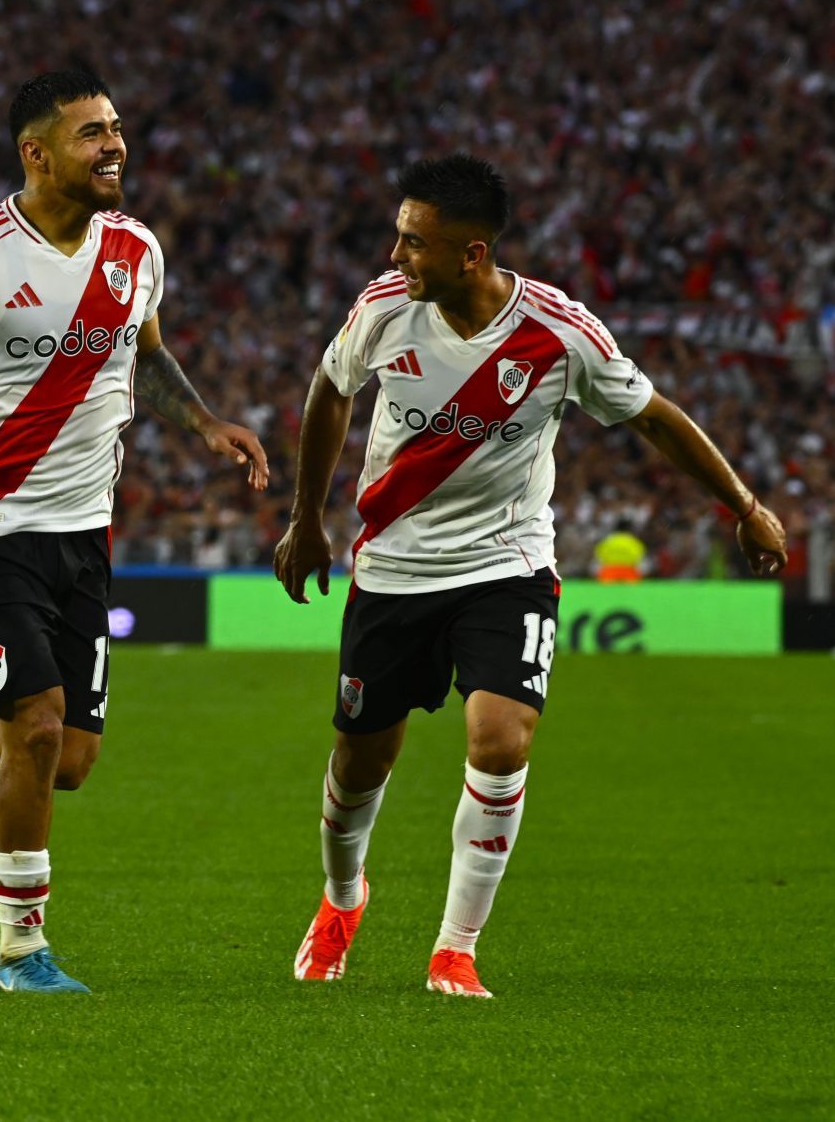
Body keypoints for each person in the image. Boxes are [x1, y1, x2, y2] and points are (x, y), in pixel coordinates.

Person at [273, 154, 786, 997]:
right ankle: (341, 898)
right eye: (398, 236)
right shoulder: (381, 311)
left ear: (471, 253)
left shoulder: (560, 332)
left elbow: (653, 418)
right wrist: (306, 517)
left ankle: (454, 948)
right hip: (395, 567)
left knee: (501, 739)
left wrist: (744, 502)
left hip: (504, 566)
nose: (397, 255)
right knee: (361, 760)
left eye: (415, 242)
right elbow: (330, 390)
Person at [0, 70, 270, 993]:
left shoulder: (136, 248)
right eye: (90, 134)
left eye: (116, 128)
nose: (114, 145)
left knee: (68, 759)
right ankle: (21, 949)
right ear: (35, 153)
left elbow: (144, 357)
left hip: (88, 537)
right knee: (33, 732)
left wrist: (204, 423)